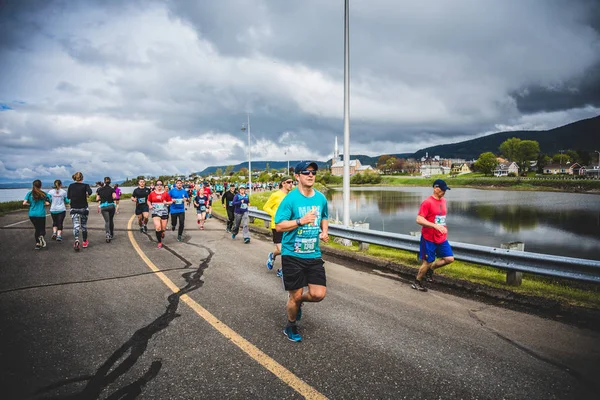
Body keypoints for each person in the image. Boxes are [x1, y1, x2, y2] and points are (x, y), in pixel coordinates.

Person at [275, 161, 329, 342]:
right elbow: (279, 225)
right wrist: (300, 221)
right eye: (306, 172)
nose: (311, 175)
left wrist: (325, 231)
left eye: (313, 172)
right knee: (295, 295)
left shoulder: (320, 198)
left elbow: (325, 217)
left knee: (318, 294)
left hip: (313, 254)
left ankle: (298, 303)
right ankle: (290, 326)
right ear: (297, 176)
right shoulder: (290, 199)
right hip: (292, 254)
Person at [411, 179, 455, 292]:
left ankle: (430, 270)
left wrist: (441, 227)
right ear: (436, 188)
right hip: (429, 238)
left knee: (449, 259)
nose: (444, 192)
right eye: (443, 189)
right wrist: (434, 226)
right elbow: (419, 219)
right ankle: (417, 281)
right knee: (428, 261)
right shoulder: (427, 202)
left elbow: (441, 217)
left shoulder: (444, 201)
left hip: (441, 237)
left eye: (445, 189)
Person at [263, 176, 294, 277]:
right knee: (282, 250)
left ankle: (280, 267)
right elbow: (266, 207)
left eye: (292, 182)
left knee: (288, 249)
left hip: (289, 225)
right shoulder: (275, 195)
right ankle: (275, 258)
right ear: (283, 183)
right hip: (277, 225)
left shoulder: (292, 196)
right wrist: (276, 215)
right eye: (288, 182)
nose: (291, 184)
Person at [67, 172, 92, 251]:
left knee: (76, 226)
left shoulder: (71, 186)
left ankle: (77, 240)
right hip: (83, 208)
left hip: (74, 208)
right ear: (82, 178)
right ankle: (84, 241)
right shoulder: (85, 185)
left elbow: (68, 196)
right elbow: (90, 192)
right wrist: (86, 194)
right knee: (83, 226)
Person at [23, 179, 51, 250]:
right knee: (42, 230)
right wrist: (43, 203)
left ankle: (37, 244)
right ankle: (41, 236)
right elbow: (48, 202)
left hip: (32, 214)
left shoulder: (29, 193)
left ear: (33, 185)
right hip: (40, 214)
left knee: (37, 229)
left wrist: (30, 204)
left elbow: (24, 203)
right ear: (40, 186)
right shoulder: (43, 194)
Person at [147, 180, 172, 248]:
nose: (159, 186)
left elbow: (170, 202)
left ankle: (162, 232)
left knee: (163, 228)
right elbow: (148, 201)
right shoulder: (152, 193)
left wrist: (166, 203)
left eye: (160, 184)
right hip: (155, 212)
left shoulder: (166, 194)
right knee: (158, 227)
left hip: (164, 212)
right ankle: (159, 242)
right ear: (155, 186)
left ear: (162, 186)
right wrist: (150, 205)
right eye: (157, 185)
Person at [96, 176, 117, 243]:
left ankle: (107, 234)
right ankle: (111, 234)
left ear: (104, 181)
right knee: (111, 220)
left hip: (103, 207)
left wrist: (102, 198)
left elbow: (97, 199)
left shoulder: (99, 189)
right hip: (111, 206)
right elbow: (114, 197)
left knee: (107, 221)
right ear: (110, 182)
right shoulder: (112, 189)